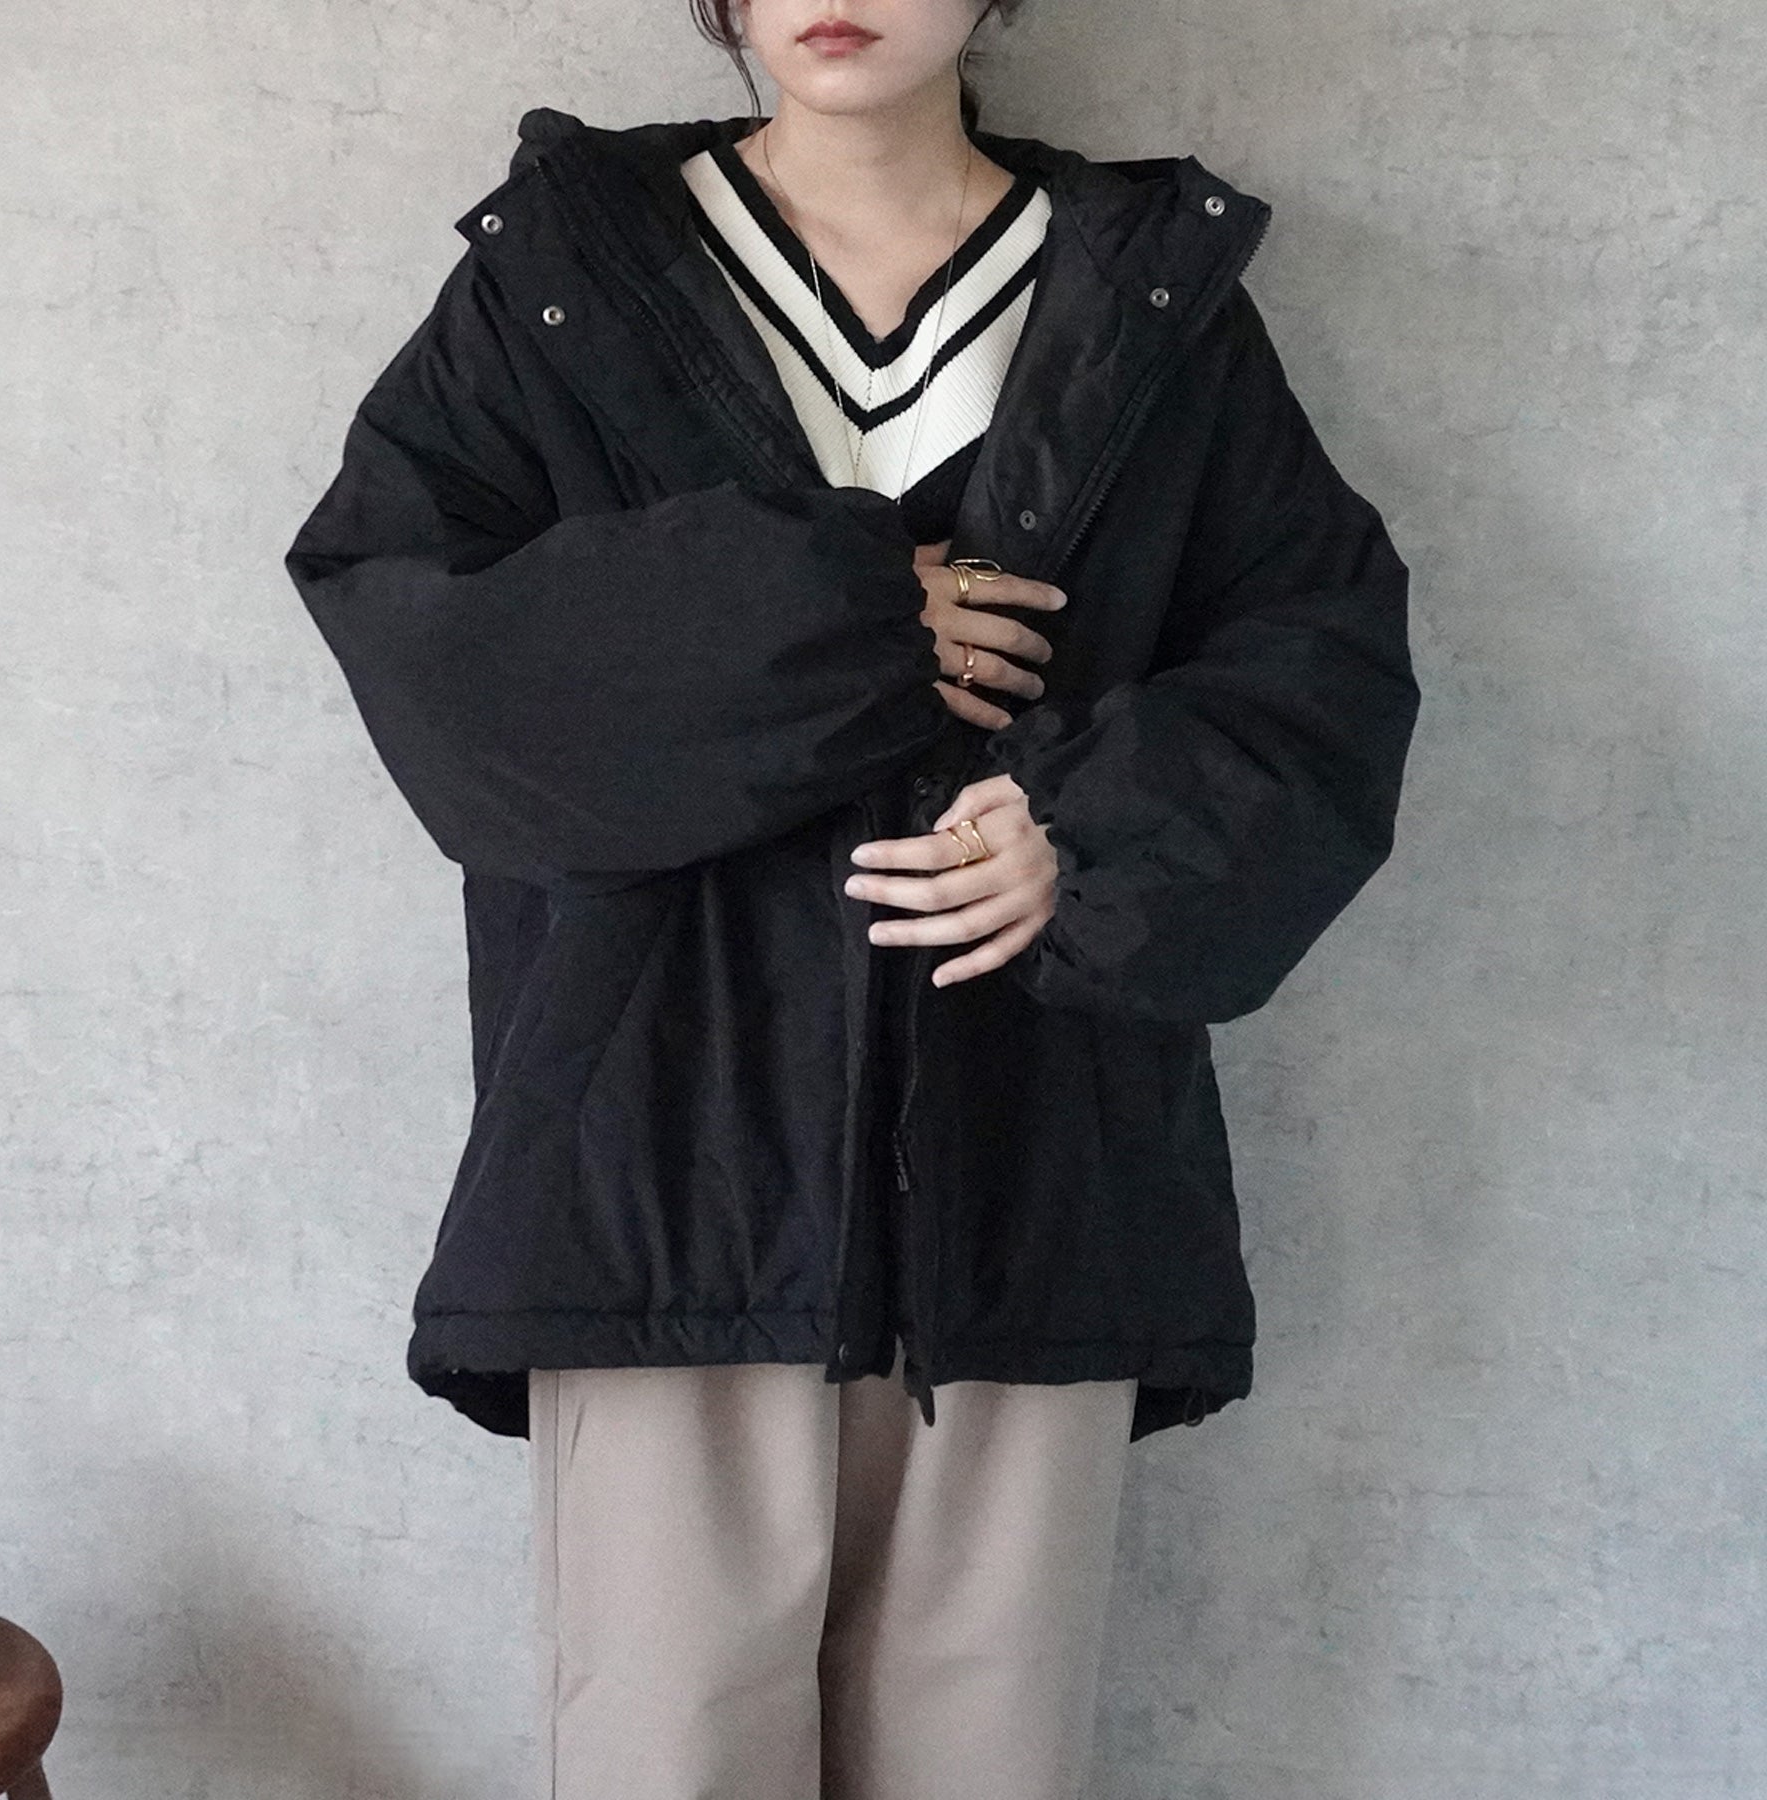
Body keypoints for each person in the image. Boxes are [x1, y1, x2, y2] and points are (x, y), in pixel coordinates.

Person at [282, 2, 1420, 1794]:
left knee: (986, 1759)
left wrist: (1093, 834)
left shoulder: (1143, 296)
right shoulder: (570, 282)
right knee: (666, 1754)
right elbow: (432, 652)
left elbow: (1322, 667)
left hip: (1037, 1173)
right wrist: (847, 612)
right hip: (661, 1181)